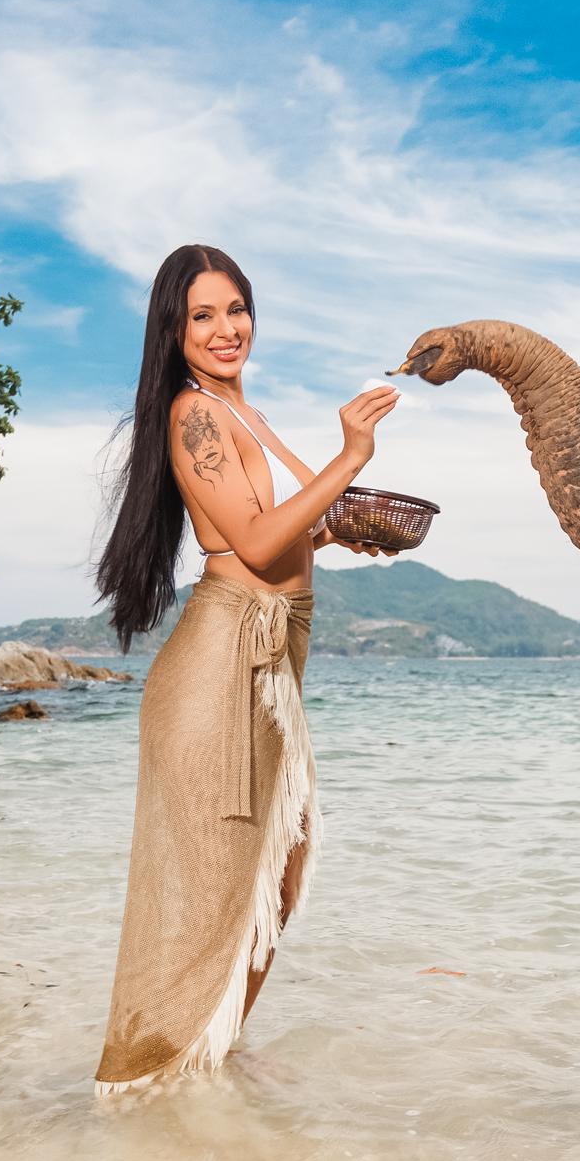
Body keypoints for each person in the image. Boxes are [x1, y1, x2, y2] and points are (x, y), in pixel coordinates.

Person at [91, 243, 400, 1094]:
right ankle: (148, 1083)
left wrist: (342, 528)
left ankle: (204, 1058)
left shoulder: (244, 413)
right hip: (222, 667)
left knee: (279, 877)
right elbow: (258, 544)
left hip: (269, 664)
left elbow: (276, 530)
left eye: (236, 310)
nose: (226, 330)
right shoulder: (193, 416)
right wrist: (350, 458)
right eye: (203, 316)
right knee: (211, 896)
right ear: (174, 331)